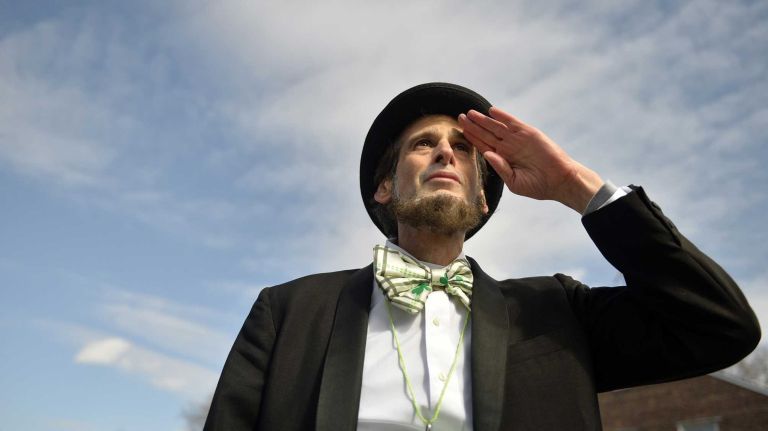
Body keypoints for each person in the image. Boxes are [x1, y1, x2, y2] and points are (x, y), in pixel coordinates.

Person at [203, 83, 760, 431]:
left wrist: (576, 187)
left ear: (482, 195)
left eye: (465, 149)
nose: (446, 149)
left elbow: (720, 327)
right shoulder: (290, 311)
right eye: (424, 143)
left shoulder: (557, 311)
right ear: (384, 189)